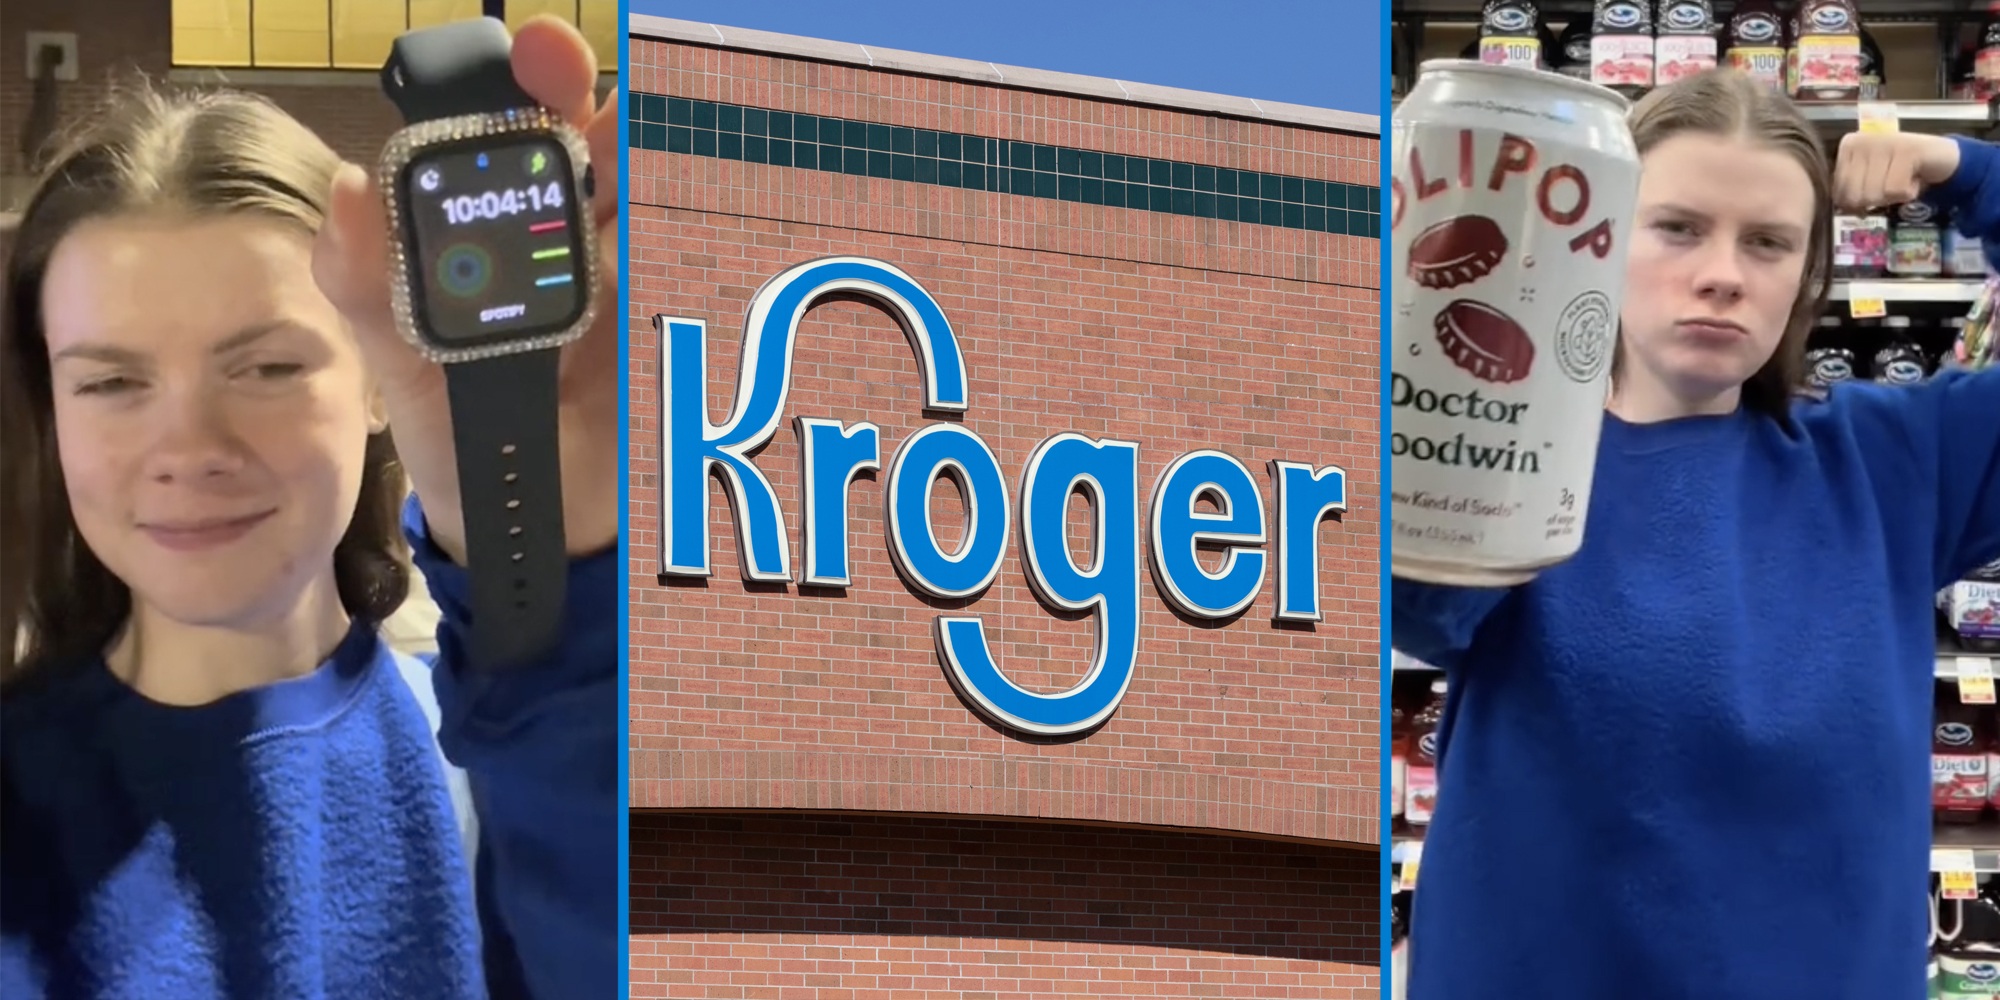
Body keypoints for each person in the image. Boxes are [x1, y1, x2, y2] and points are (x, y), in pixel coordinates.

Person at [0, 17, 619, 1000]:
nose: (192, 448)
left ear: (380, 377)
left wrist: (573, 615)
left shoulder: (511, 767)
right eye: (113, 381)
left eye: (269, 366)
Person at [1393, 68, 2000, 998]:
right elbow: (1418, 608)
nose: (1721, 273)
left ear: (1807, 276)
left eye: (1767, 242)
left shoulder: (1896, 467)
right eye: (1677, 227)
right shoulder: (1510, 462)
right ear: (1597, 241)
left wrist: (1964, 171)